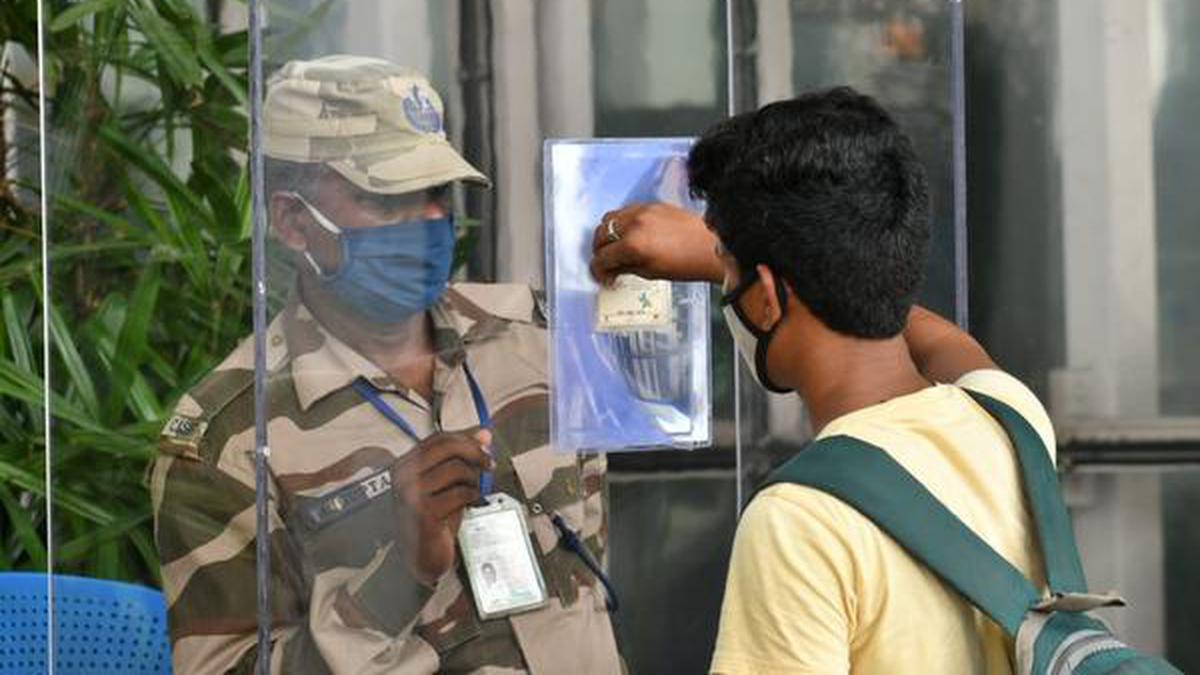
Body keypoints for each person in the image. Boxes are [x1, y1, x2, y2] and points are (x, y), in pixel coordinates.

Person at [151, 55, 621, 674]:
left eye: (434, 193)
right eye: (387, 200)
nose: (428, 220)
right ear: (293, 222)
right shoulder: (231, 438)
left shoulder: (534, 339)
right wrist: (399, 572)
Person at [590, 87, 1058, 673]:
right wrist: (742, 263)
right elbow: (942, 341)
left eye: (728, 272)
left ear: (762, 299)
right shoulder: (1011, 420)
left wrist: (743, 263)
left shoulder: (803, 520)